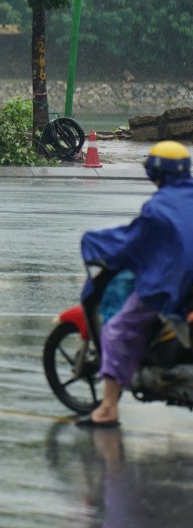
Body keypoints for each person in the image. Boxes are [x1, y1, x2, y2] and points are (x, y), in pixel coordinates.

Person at [77, 141, 193, 428]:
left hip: (171, 288)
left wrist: (93, 243)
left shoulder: (158, 208)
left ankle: (107, 409)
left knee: (117, 331)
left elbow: (131, 243)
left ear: (157, 174)